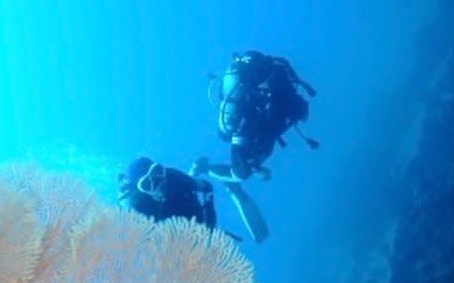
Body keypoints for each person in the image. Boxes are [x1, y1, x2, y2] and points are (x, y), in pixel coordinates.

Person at [207, 50, 319, 182]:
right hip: (246, 121)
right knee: (240, 174)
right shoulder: (276, 90)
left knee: (243, 163)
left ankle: (227, 174)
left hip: (246, 119)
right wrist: (255, 168)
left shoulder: (267, 96)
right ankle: (204, 168)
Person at [117, 156, 217, 228]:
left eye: (157, 172)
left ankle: (193, 172)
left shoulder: (174, 176)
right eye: (147, 184)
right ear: (141, 191)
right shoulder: (137, 207)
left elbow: (207, 187)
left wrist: (210, 220)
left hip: (190, 214)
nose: (158, 184)